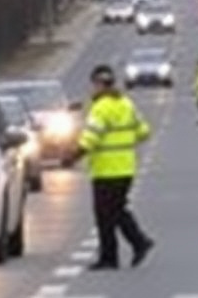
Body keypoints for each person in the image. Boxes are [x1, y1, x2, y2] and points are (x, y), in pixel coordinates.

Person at [62, 65, 155, 270]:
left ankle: (111, 257)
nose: (92, 89)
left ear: (98, 84)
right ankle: (139, 242)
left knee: (105, 215)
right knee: (117, 210)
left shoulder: (100, 108)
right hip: (126, 168)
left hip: (106, 170)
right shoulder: (126, 104)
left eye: (93, 85)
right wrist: (125, 143)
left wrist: (72, 157)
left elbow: (90, 139)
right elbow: (144, 131)